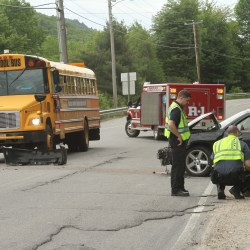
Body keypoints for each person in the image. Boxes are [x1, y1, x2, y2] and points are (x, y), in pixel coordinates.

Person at [211, 125, 250, 199]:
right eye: (239, 133)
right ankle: (236, 190)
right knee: (245, 169)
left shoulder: (217, 144)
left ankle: (220, 189)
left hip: (218, 177)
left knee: (217, 168)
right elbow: (248, 165)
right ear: (237, 132)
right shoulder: (242, 144)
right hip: (235, 177)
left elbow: (213, 161)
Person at [164, 89, 191, 196]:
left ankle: (180, 187)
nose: (187, 103)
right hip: (177, 141)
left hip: (178, 141)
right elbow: (171, 124)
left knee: (180, 165)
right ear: (181, 98)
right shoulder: (176, 110)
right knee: (177, 166)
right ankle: (175, 190)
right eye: (187, 100)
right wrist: (179, 136)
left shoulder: (177, 107)